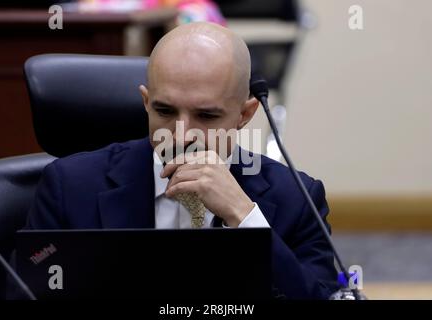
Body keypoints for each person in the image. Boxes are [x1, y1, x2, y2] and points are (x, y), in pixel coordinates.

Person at [25, 22, 339, 299]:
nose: (181, 134)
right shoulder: (69, 187)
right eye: (165, 111)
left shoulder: (297, 199)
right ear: (146, 103)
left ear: (245, 114)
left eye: (205, 115)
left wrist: (245, 219)